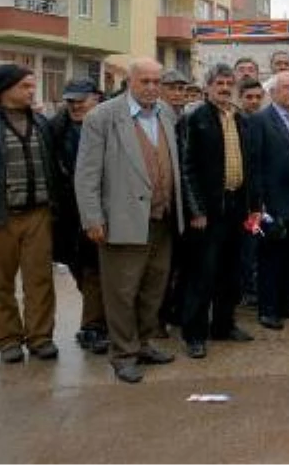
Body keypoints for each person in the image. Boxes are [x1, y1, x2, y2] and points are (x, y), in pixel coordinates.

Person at [76, 58, 184, 383]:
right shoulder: (102, 117)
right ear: (129, 82)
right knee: (122, 292)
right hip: (121, 221)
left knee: (154, 287)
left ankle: (145, 343)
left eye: (156, 81)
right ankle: (123, 354)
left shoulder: (166, 112)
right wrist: (92, 218)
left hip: (162, 219)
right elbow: (87, 173)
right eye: (144, 82)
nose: (151, 87)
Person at [0, 64, 63, 363]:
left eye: (32, 85)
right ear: (5, 89)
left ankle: (40, 337)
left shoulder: (43, 123)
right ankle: (8, 340)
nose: (32, 91)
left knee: (40, 280)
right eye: (25, 86)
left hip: (38, 215)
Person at [178, 64, 256, 359]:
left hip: (237, 206)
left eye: (229, 83)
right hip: (208, 211)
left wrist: (254, 207)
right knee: (202, 274)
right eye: (219, 83)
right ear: (208, 86)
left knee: (231, 272)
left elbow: (252, 166)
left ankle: (224, 325)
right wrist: (196, 210)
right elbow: (186, 169)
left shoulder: (240, 118)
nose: (225, 87)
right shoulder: (194, 119)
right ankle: (194, 335)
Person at [247, 70, 289, 331]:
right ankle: (268, 309)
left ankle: (285, 301)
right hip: (274, 202)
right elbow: (255, 165)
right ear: (273, 92)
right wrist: (260, 205)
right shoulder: (260, 121)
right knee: (271, 257)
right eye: (286, 87)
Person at [49, 77, 108, 354]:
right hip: (67, 215)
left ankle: (93, 326)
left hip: (103, 211)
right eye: (70, 100)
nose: (75, 106)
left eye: (80, 100)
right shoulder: (55, 129)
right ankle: (97, 323)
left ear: (97, 97)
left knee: (94, 270)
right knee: (81, 271)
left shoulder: (112, 124)